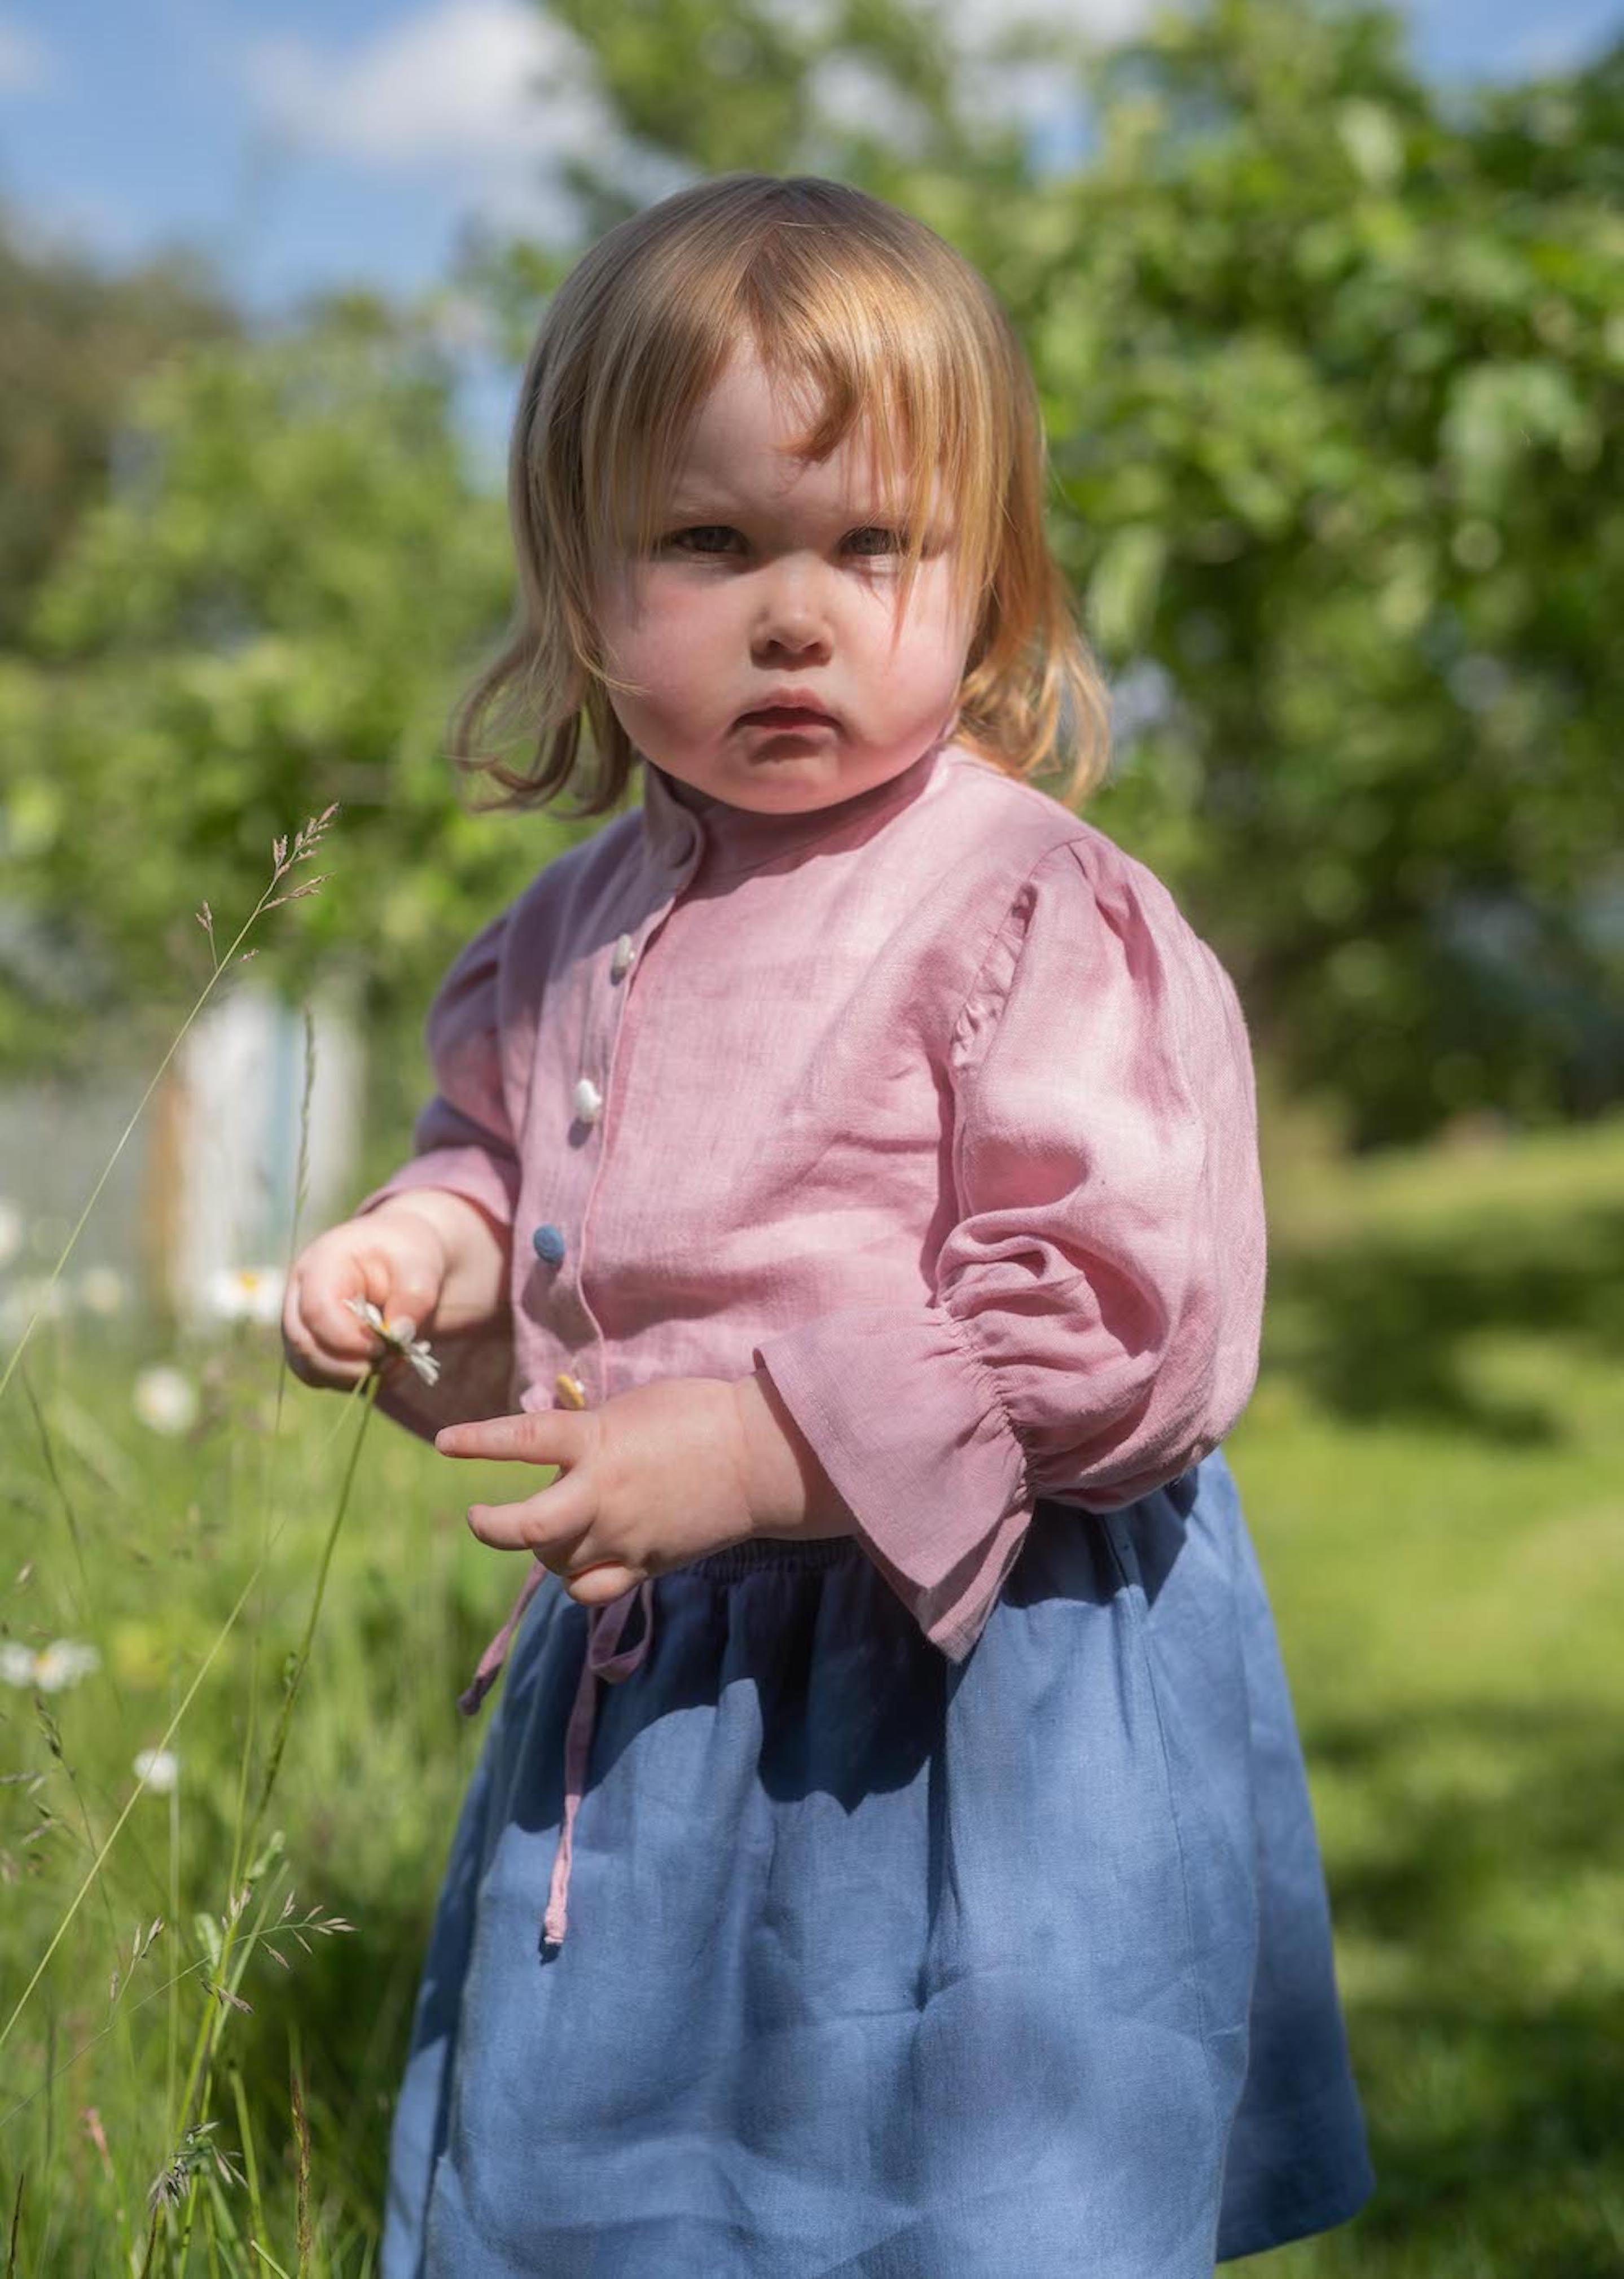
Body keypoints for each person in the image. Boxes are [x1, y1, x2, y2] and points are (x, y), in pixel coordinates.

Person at [283, 172, 1373, 2279]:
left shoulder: (1029, 905)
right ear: (585, 592)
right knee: (633, 2182)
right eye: (710, 542)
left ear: (989, 586)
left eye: (872, 544)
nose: (798, 611)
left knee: (964, 2176)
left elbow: (1125, 1320)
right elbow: (515, 1185)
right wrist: (425, 1252)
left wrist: (772, 1448)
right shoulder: (563, 934)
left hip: (976, 1690)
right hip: (666, 1686)